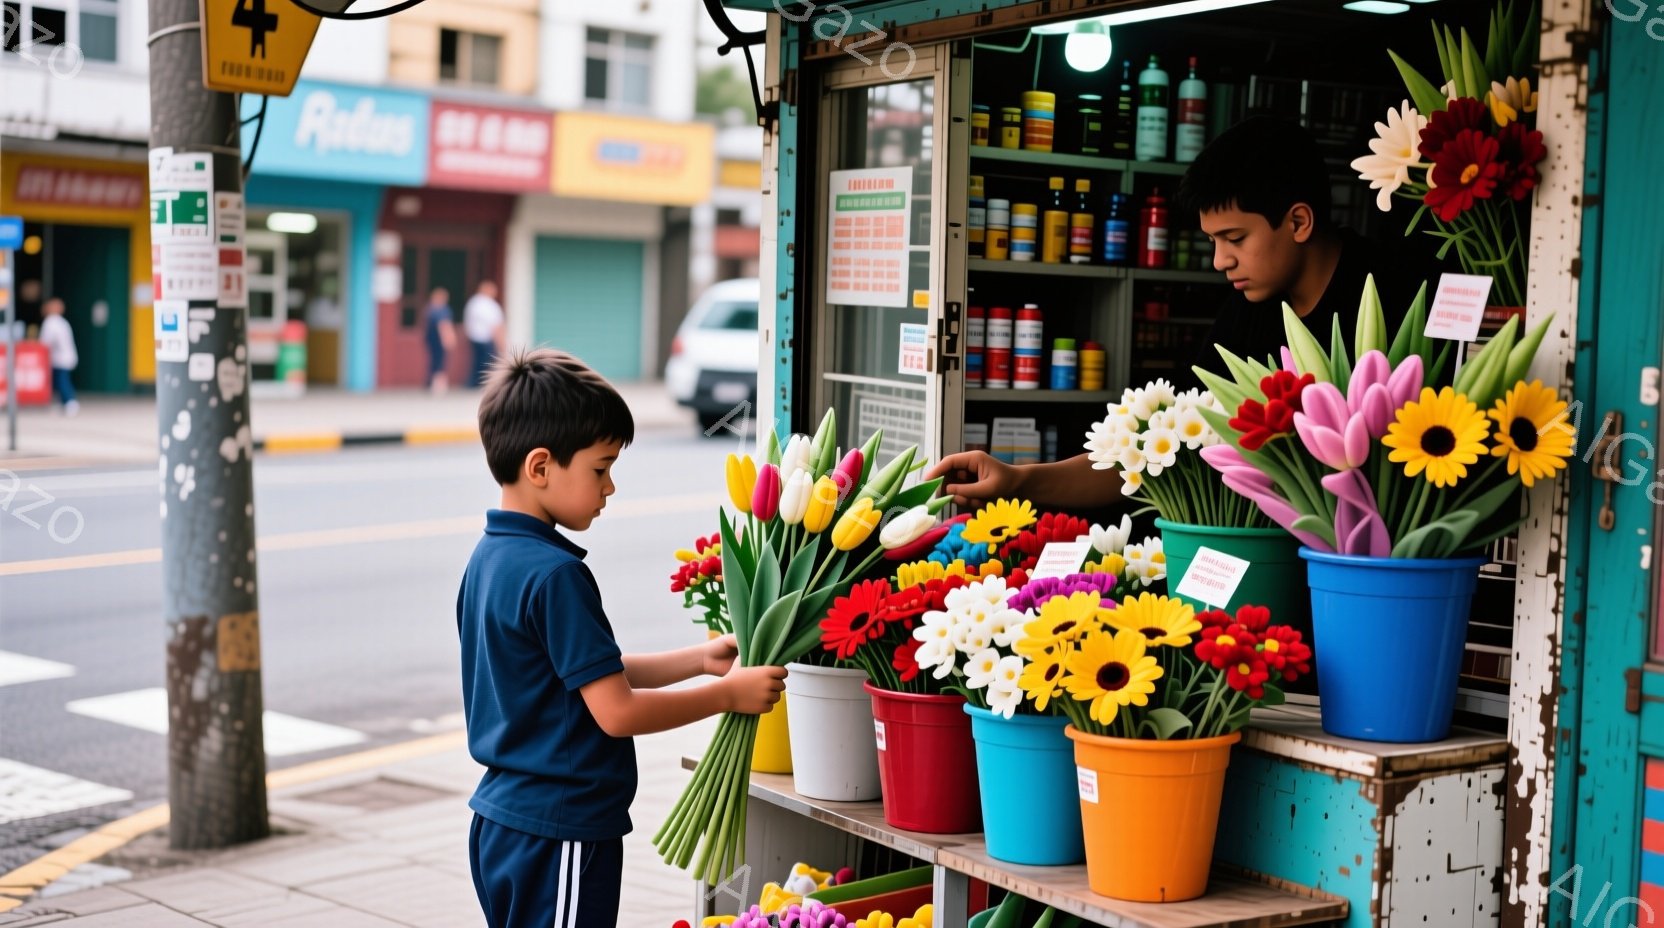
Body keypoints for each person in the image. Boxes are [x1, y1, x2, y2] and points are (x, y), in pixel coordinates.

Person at [927, 115, 1436, 509]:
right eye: (1213, 241)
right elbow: (1157, 449)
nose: (1220, 261)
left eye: (1235, 238)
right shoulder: (1244, 315)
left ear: (1298, 221)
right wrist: (1020, 478)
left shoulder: (1401, 295)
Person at [459, 348, 787, 928]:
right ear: (541, 467)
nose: (610, 487)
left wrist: (698, 660)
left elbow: (580, 674)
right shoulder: (556, 575)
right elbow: (615, 710)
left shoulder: (490, 559)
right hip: (558, 830)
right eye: (600, 468)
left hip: (502, 822)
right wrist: (728, 695)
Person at [38, 298, 79, 416]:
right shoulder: (62, 322)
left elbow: (46, 342)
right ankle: (64, 403)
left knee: (62, 381)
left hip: (60, 357)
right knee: (60, 380)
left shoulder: (51, 322)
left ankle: (70, 402)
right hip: (64, 356)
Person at [464, 281, 507, 389]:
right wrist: (502, 343)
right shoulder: (489, 305)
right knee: (487, 363)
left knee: (478, 361)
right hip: (485, 339)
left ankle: (473, 383)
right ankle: (483, 384)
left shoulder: (473, 302)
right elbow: (495, 326)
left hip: (474, 338)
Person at [424, 287, 457, 395]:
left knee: (436, 360)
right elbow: (444, 325)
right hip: (437, 340)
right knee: (439, 360)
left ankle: (434, 383)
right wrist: (448, 338)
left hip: (432, 340)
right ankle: (438, 385)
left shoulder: (431, 309)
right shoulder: (439, 310)